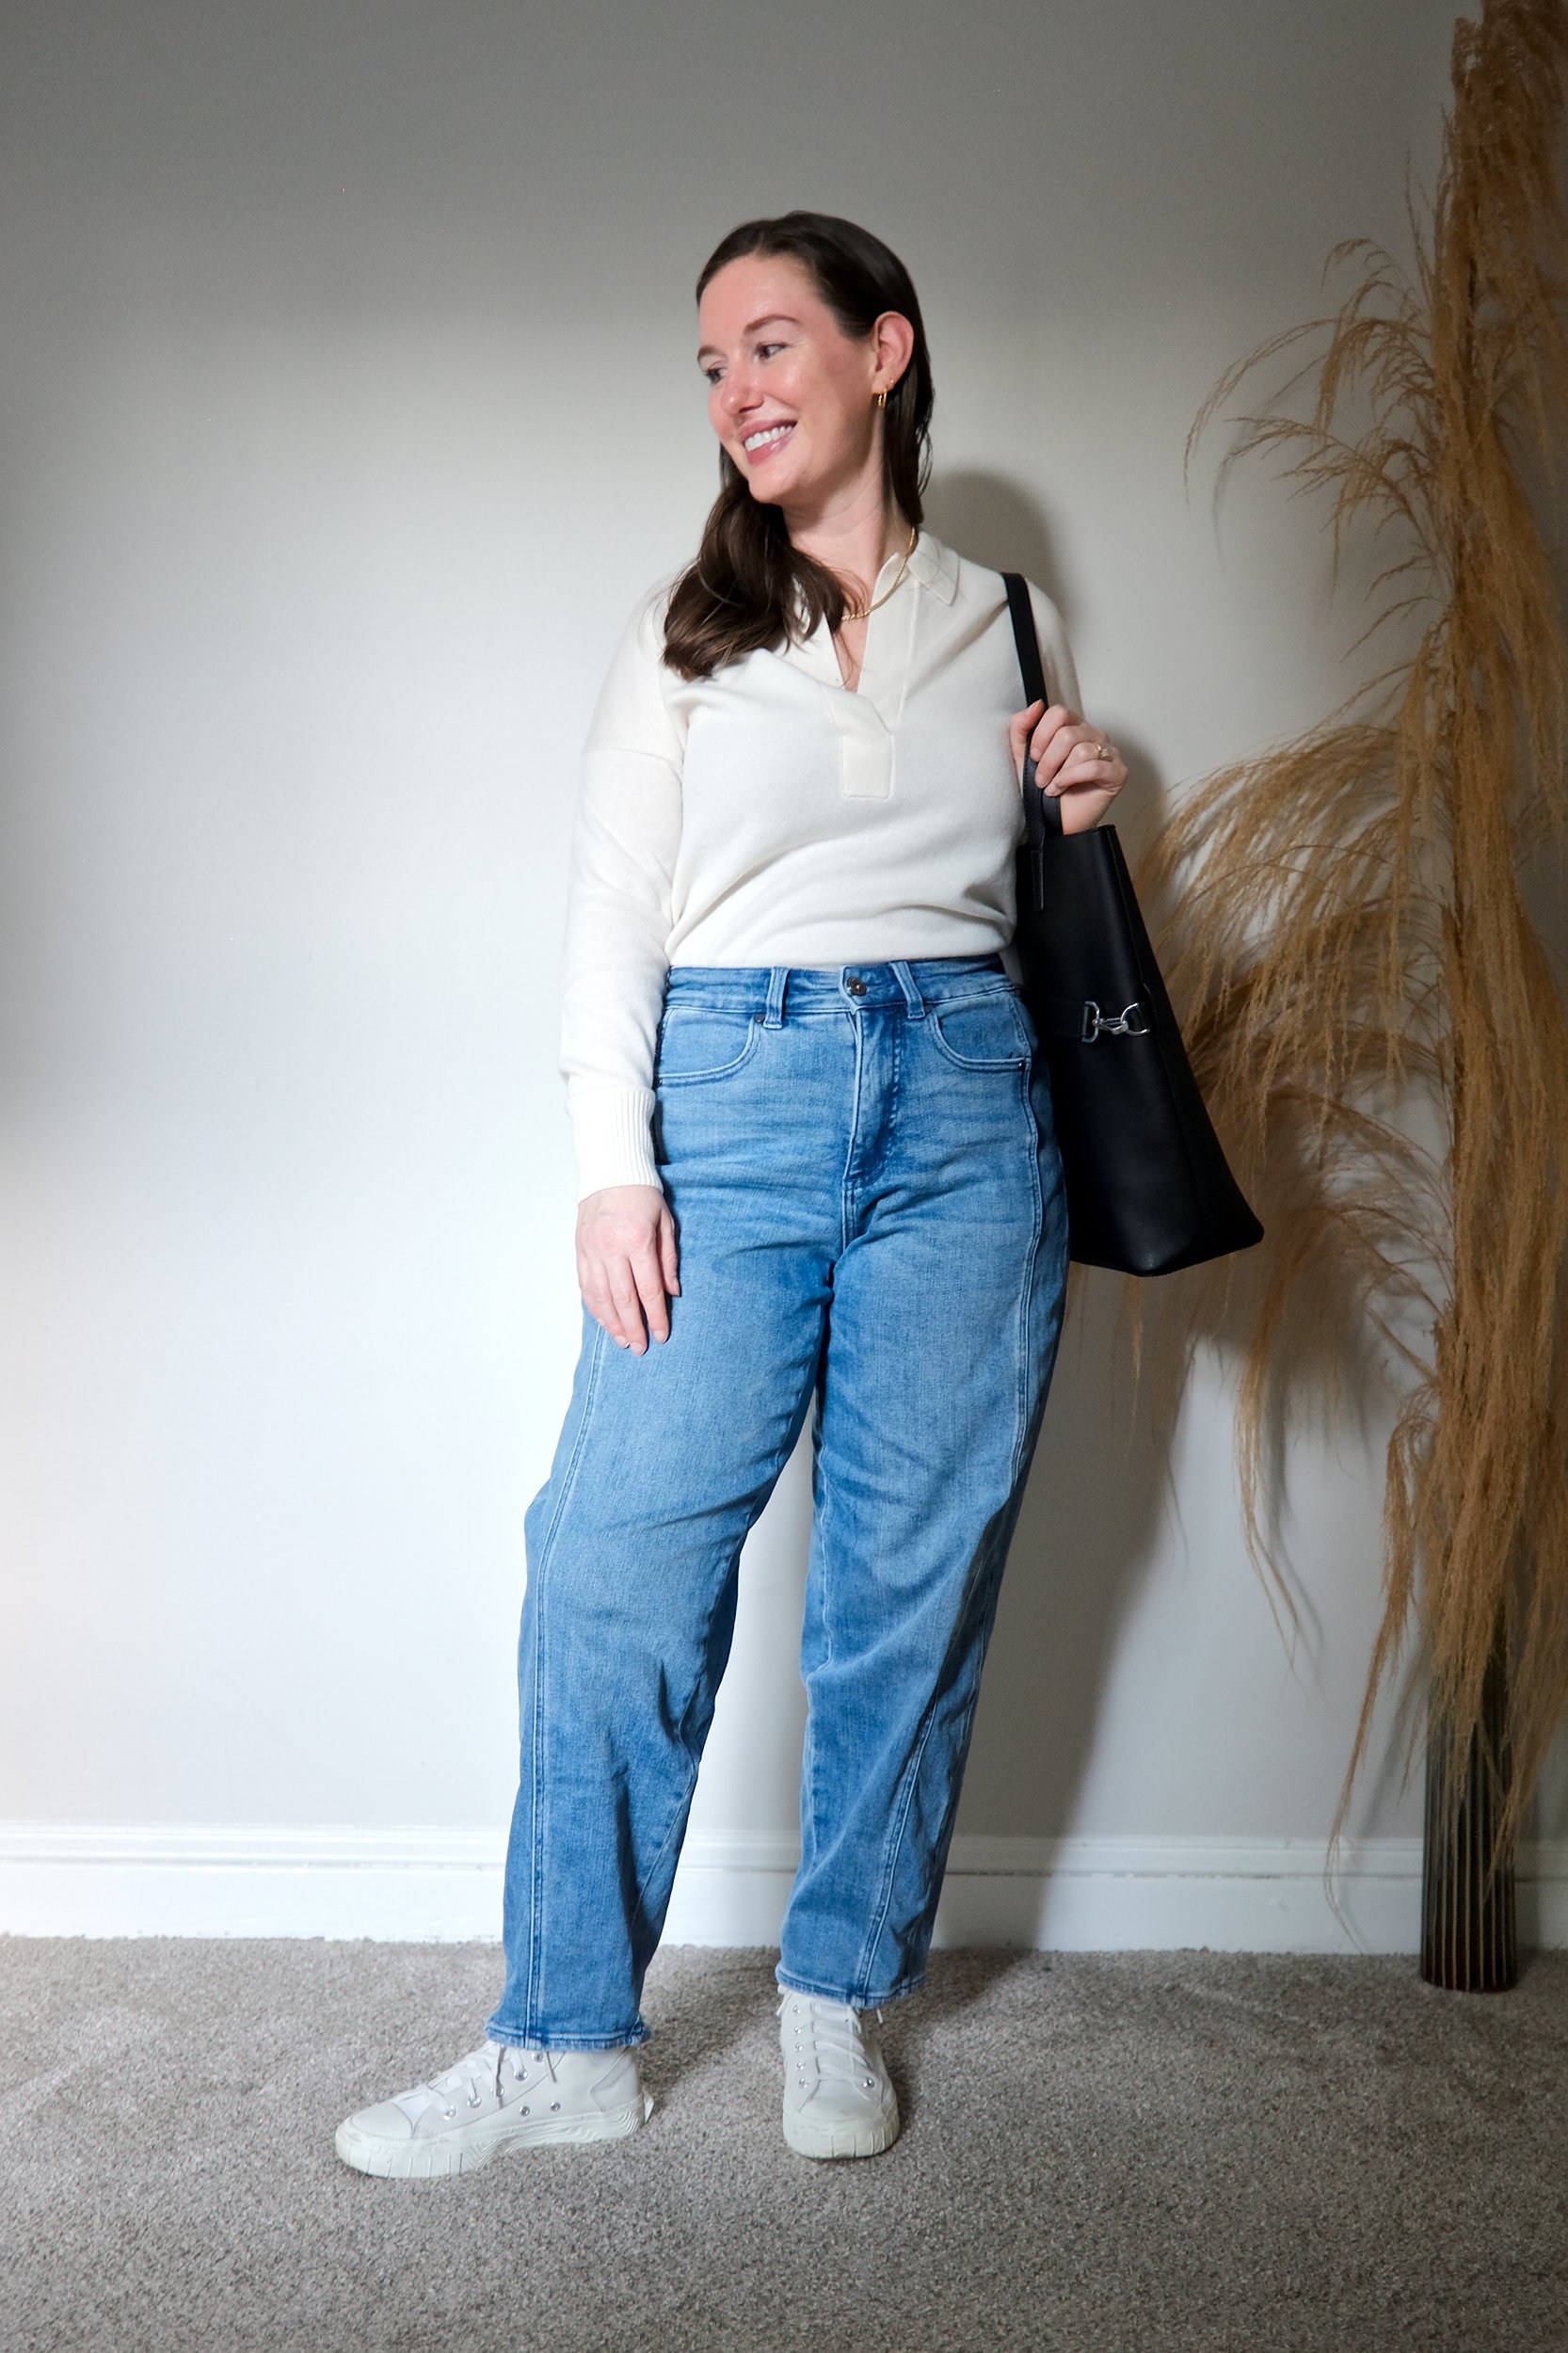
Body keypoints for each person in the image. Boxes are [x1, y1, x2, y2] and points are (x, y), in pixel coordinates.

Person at [335, 211, 1127, 2181]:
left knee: (904, 1582)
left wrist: (1087, 800)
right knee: (611, 1558)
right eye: (709, 364)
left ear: (884, 350)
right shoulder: (683, 627)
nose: (738, 389)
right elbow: (611, 904)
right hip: (727, 1100)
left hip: (964, 1107)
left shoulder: (1006, 619)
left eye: (771, 343)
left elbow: (1038, 903)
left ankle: (835, 1989)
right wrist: (615, 1167)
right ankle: (560, 2037)